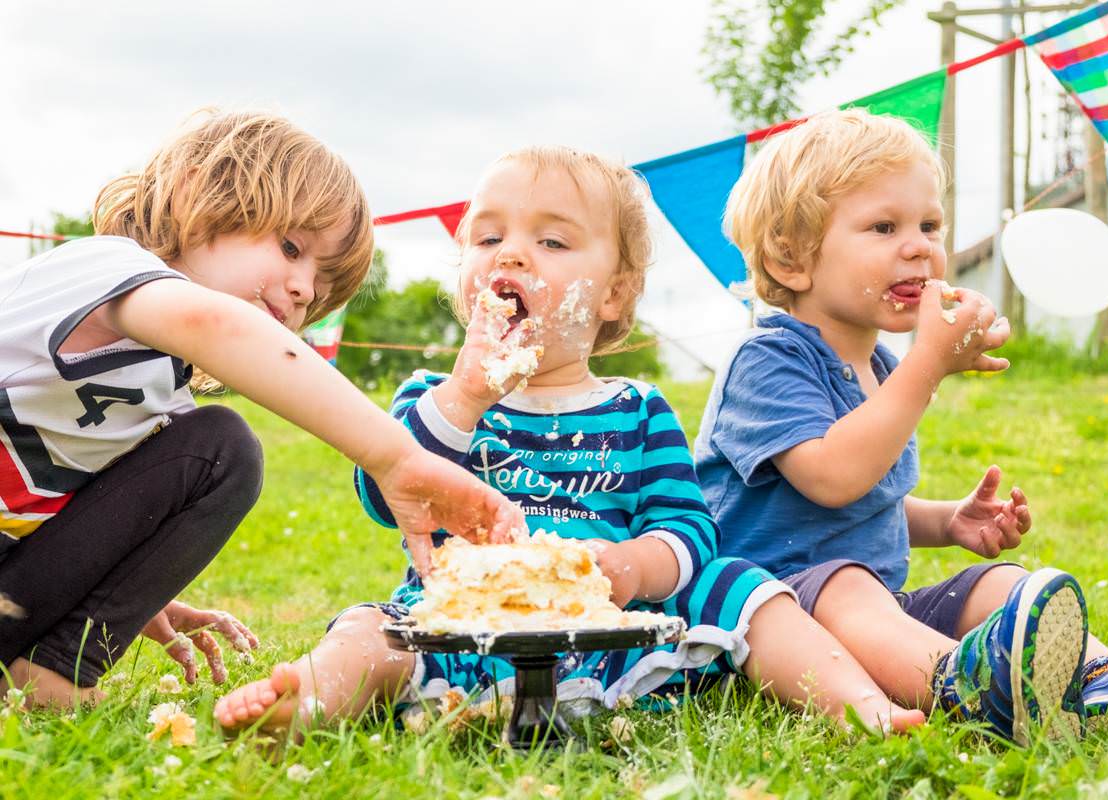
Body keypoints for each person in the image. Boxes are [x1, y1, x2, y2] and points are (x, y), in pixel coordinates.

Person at [214, 145, 932, 738]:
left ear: (614, 294)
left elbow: (688, 529)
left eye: (551, 241)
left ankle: (859, 705)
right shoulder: (434, 400)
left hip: (614, 632)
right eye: (488, 238)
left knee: (739, 586)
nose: (513, 256)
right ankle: (301, 700)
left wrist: (630, 567)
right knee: (373, 631)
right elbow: (385, 491)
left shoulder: (638, 410)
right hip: (463, 627)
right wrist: (466, 396)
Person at [695, 108, 1108, 744]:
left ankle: (1102, 679)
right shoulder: (767, 358)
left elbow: (860, 507)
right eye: (883, 226)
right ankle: (962, 685)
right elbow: (831, 478)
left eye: (929, 225)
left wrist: (946, 521)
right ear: (794, 260)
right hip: (773, 618)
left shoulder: (878, 365)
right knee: (847, 586)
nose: (920, 246)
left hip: (870, 609)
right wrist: (926, 367)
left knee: (999, 584)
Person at [0, 111, 524, 708]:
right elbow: (216, 324)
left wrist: (128, 594)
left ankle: (46, 674)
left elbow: (59, 510)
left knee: (218, 448)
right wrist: (395, 456)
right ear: (196, 194)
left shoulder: (165, 402)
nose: (304, 289)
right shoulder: (100, 269)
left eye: (320, 289)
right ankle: (52, 679)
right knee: (221, 443)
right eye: (292, 247)